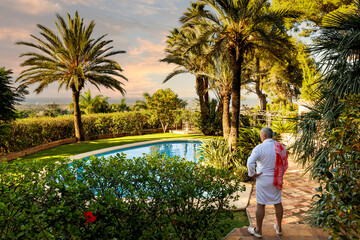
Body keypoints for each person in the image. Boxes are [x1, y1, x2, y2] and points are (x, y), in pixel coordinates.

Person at [246, 127, 288, 238]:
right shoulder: (280, 146)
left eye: (261, 136)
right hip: (275, 179)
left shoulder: (259, 148)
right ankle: (279, 228)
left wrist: (252, 174)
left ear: (264, 136)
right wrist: (280, 174)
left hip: (263, 179)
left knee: (261, 204)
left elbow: (250, 162)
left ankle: (259, 231)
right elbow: (285, 161)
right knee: (277, 202)